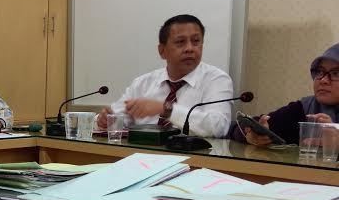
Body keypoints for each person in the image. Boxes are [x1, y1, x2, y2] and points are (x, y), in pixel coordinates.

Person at [97, 14, 233, 138]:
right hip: (141, 153)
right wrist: (106, 120)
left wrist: (167, 109)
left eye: (196, 41)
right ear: (162, 51)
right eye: (180, 42)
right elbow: (118, 115)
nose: (190, 48)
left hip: (193, 154)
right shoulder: (142, 83)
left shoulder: (216, 80)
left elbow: (219, 127)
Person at [230, 43, 339, 146]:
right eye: (320, 72)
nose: (323, 80)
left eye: (335, 73)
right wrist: (251, 135)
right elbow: (236, 128)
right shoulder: (303, 109)